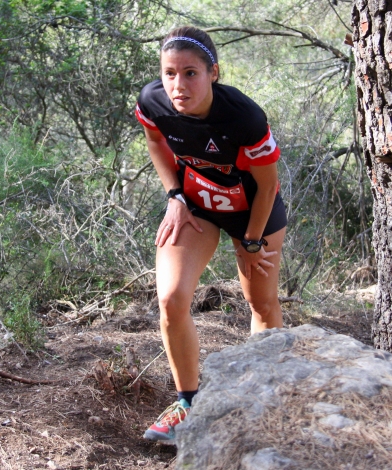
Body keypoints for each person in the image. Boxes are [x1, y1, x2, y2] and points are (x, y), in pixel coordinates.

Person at [134, 26, 286, 442]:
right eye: (169, 73)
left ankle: (263, 401)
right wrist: (174, 195)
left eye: (190, 73)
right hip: (196, 203)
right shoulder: (153, 102)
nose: (177, 85)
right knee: (171, 297)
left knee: (262, 303)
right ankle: (188, 403)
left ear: (213, 72)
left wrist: (252, 242)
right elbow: (155, 143)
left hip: (252, 211)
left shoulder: (244, 118)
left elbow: (268, 186)